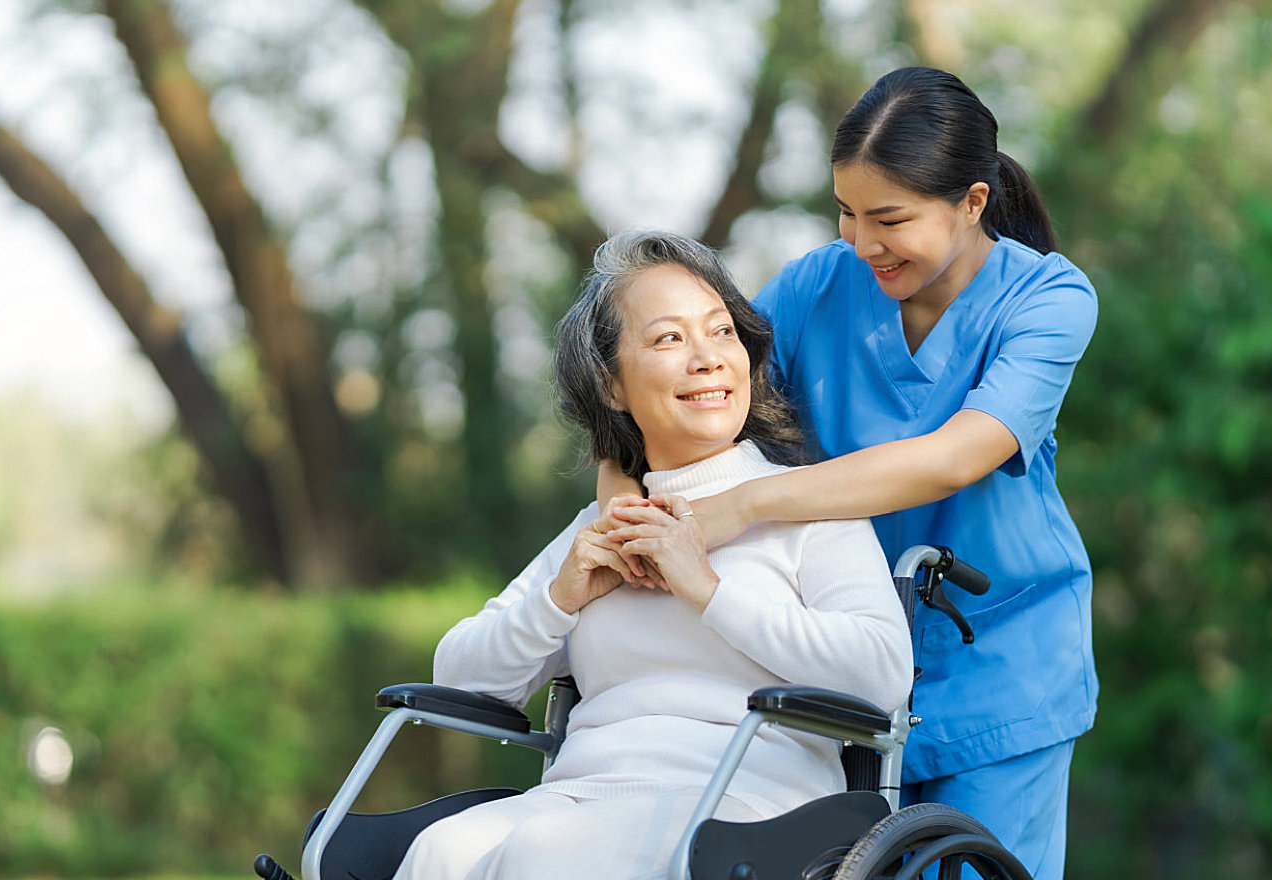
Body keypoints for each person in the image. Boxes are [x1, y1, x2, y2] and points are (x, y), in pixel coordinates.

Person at [599, 66, 1098, 880]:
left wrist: (743, 507)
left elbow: (952, 458)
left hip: (1003, 665)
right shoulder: (815, 287)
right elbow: (679, 399)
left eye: (889, 218)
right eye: (847, 212)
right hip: (839, 666)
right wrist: (624, 511)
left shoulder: (1047, 300)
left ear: (972, 203)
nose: (862, 242)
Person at [394, 230, 913, 880]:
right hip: (584, 794)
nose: (707, 358)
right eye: (669, 339)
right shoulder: (606, 527)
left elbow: (883, 674)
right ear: (612, 385)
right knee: (438, 853)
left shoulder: (805, 509)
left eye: (722, 332)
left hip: (749, 803)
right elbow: (457, 679)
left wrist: (708, 589)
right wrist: (561, 598)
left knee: (545, 855)